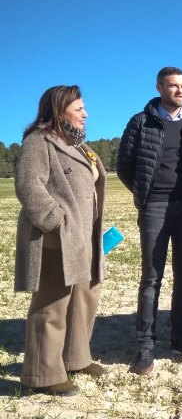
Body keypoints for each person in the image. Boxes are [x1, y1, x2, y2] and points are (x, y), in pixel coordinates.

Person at [15, 85, 107, 396]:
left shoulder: (80, 146)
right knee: (52, 305)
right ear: (59, 110)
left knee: (84, 299)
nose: (86, 114)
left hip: (85, 238)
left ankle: (76, 359)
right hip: (55, 239)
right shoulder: (38, 142)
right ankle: (41, 375)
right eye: (79, 108)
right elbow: (29, 186)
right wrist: (57, 221)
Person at [117, 67, 182, 374]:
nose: (180, 91)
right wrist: (146, 193)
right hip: (154, 206)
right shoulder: (140, 122)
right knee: (152, 277)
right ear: (159, 87)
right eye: (173, 86)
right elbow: (125, 166)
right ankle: (145, 345)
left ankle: (180, 337)